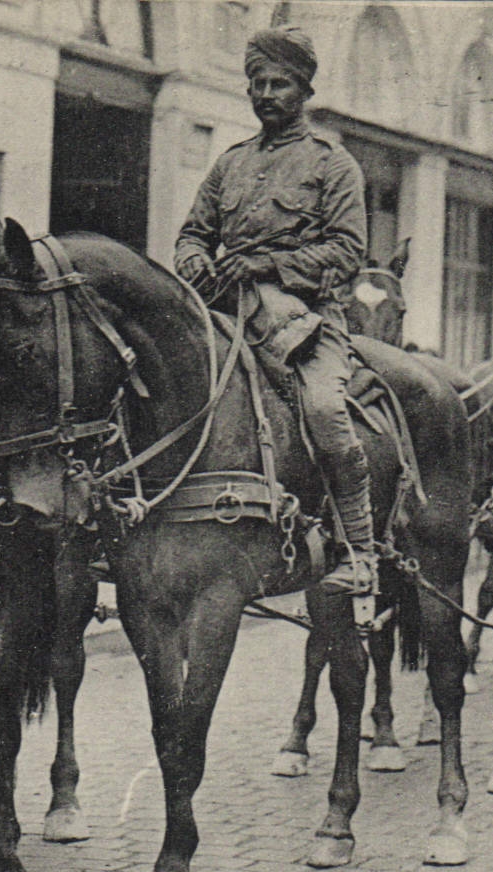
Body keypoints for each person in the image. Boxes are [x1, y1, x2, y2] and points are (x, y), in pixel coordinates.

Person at [174, 26, 374, 594]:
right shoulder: (229, 165)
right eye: (257, 83)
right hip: (223, 312)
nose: (266, 93)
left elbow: (347, 252)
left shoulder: (332, 166)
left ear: (305, 90)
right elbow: (192, 234)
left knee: (326, 413)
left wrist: (265, 267)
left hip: (305, 323)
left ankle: (359, 551)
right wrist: (193, 262)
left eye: (280, 83)